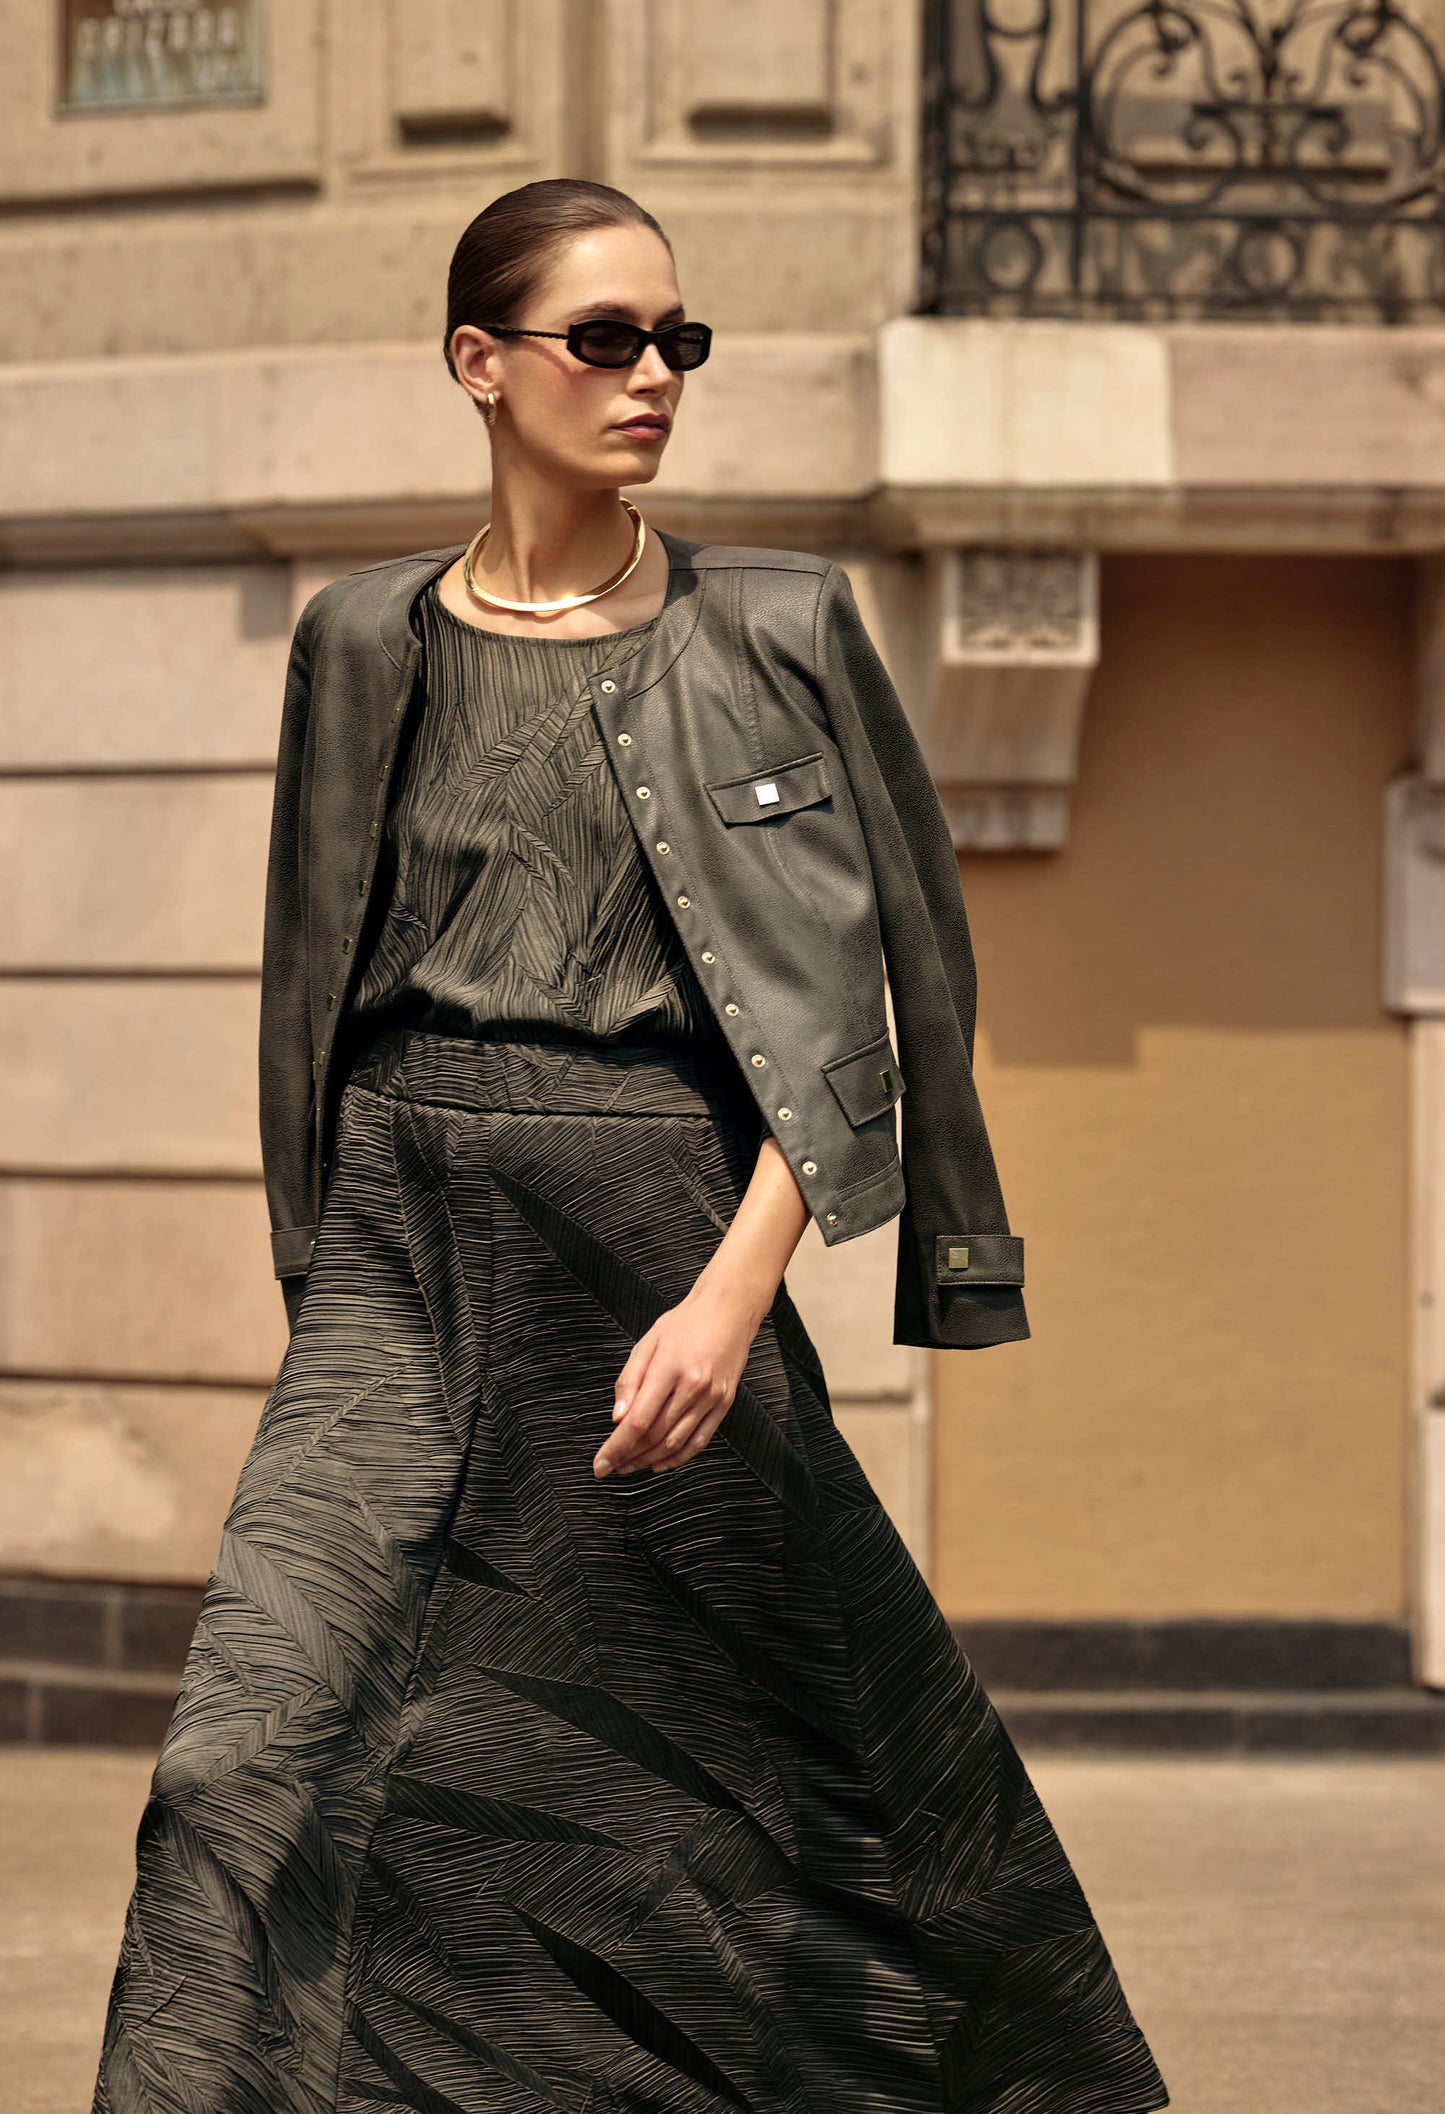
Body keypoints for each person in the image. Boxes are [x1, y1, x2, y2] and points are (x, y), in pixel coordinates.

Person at [93, 178, 1168, 2114]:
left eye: (680, 338)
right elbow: (308, 971)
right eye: (607, 338)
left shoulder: (775, 627)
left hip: (661, 1230)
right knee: (246, 1753)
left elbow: (877, 990)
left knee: (774, 1763)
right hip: (406, 1251)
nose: (655, 375)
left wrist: (733, 1296)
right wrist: (325, 1262)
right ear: (478, 364)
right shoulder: (359, 642)